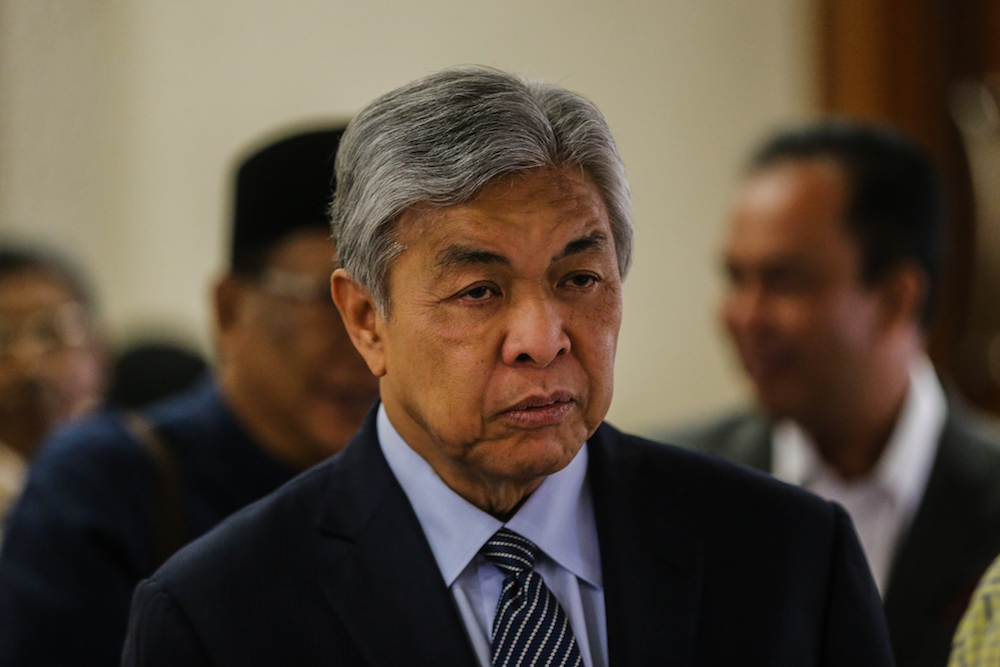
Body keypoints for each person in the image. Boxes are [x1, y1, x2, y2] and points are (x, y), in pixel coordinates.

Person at [122, 67, 892, 666]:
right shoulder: (219, 614)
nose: (541, 337)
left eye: (579, 279)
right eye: (480, 290)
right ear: (366, 320)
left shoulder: (787, 556)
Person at [0, 127, 380, 666]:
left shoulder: (426, 487)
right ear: (229, 309)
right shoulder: (106, 484)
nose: (365, 339)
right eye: (328, 298)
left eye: (388, 301)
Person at [667, 120, 1000, 667]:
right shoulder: (675, 492)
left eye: (782, 280)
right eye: (735, 278)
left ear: (895, 297)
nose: (743, 316)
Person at [0, 246, 105, 539]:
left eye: (50, 332)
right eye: (2, 337)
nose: (27, 360)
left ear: (99, 350)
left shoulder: (145, 476)